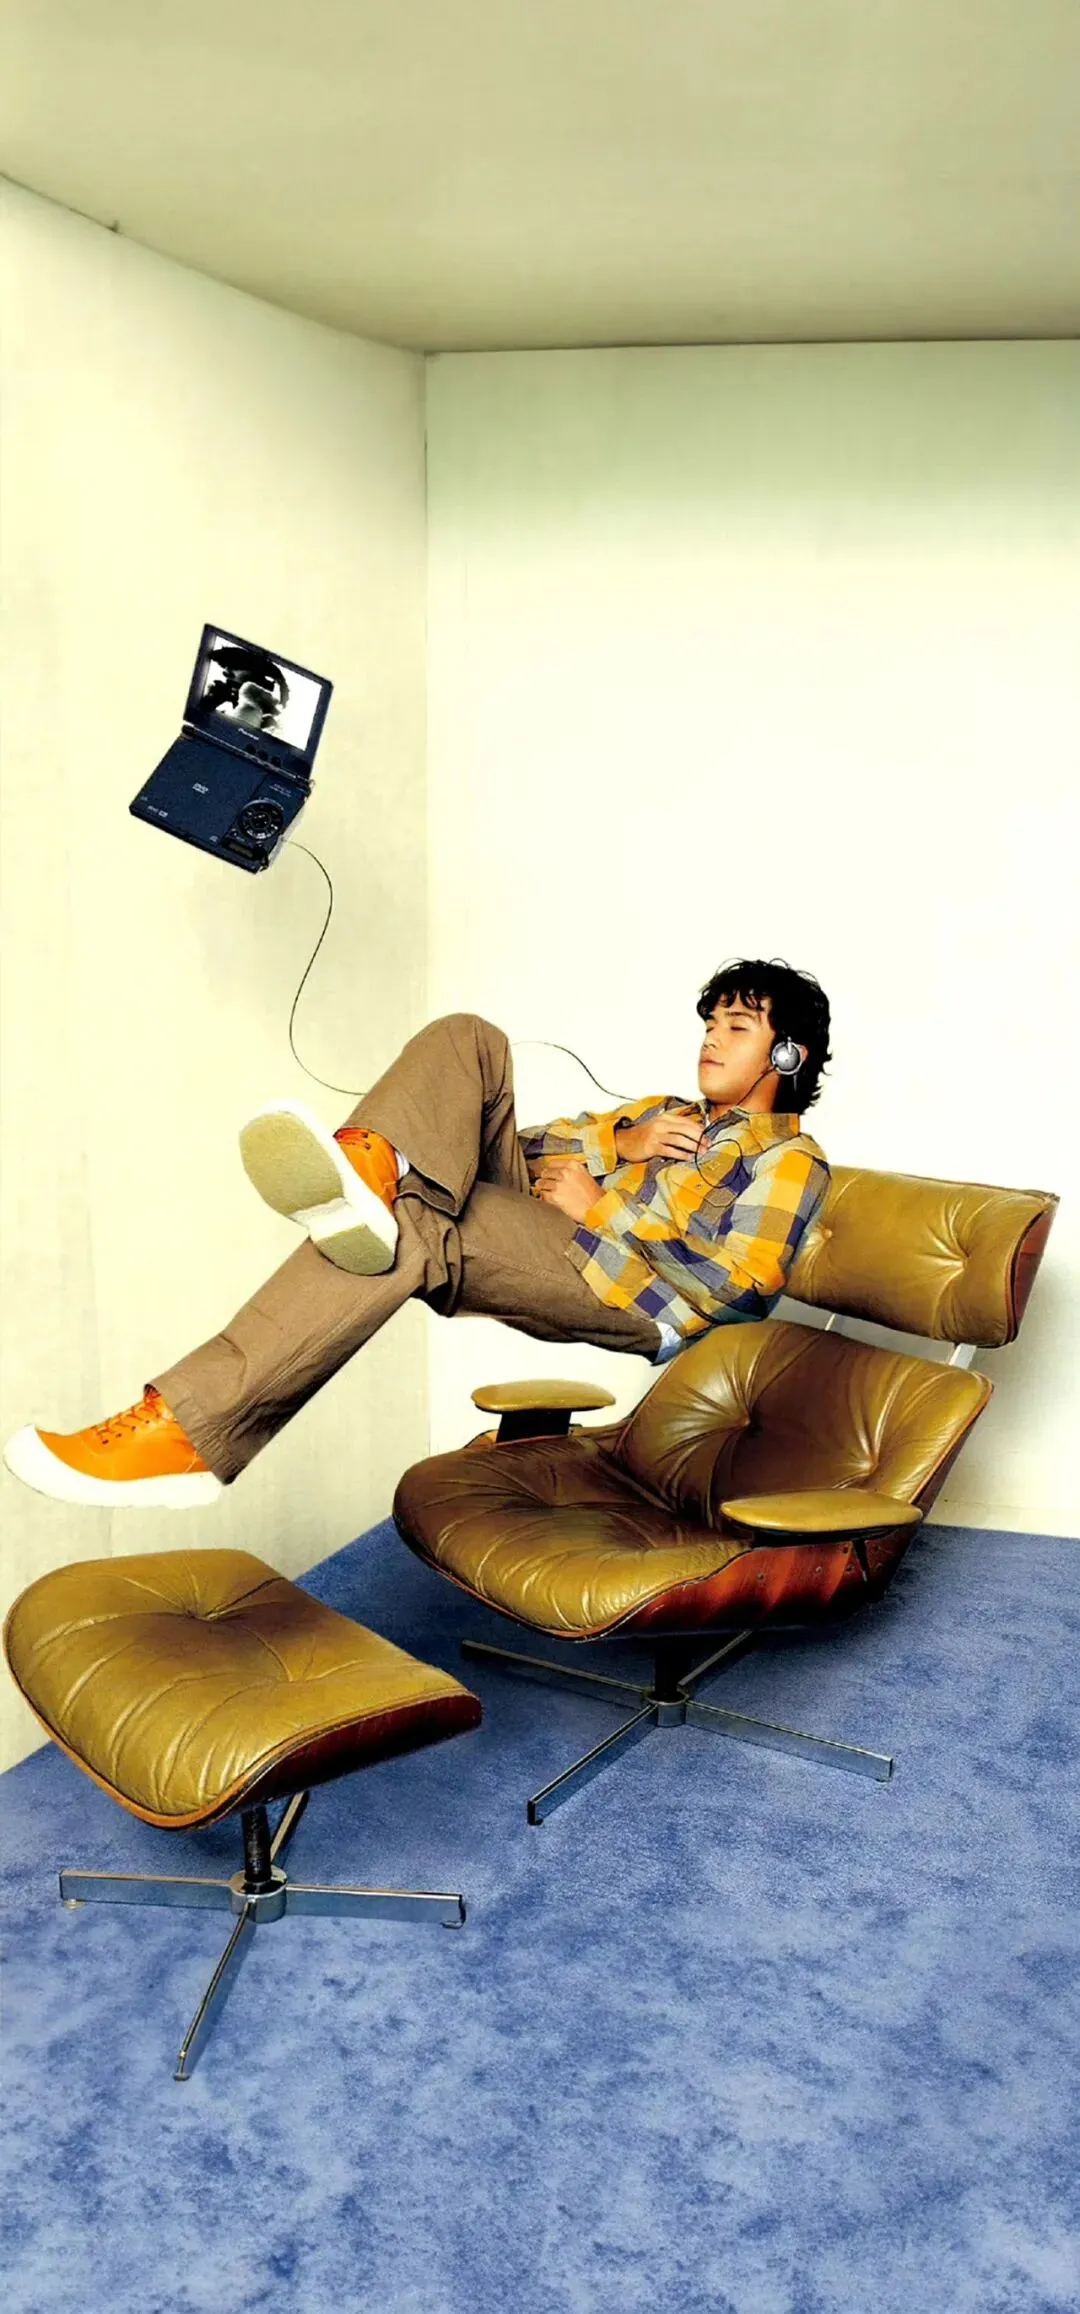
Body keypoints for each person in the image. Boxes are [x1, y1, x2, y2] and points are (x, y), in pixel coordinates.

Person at [3, 957, 833, 1511]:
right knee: (470, 1040)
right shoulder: (662, 1113)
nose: (711, 1037)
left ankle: (185, 1429)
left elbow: (741, 1289)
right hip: (557, 1232)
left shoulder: (790, 1160)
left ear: (787, 1055)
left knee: (409, 1225)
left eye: (737, 1026)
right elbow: (501, 1149)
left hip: (630, 1294)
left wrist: (599, 1209)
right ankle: (369, 1169)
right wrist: (621, 1143)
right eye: (711, 1021)